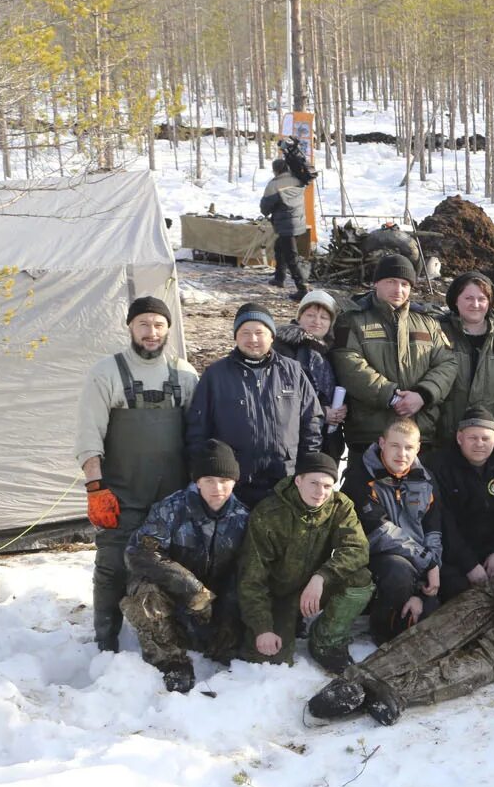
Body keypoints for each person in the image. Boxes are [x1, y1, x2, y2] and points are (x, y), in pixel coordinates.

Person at [305, 519, 494, 727]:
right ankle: (354, 680)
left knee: (468, 671)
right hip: (493, 605)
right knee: (432, 638)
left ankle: (392, 694)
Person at [76, 295, 197, 651]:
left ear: (168, 329)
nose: (151, 332)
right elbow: (88, 434)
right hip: (121, 496)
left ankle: (178, 636)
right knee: (112, 567)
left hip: (173, 499)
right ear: (130, 326)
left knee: (175, 569)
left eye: (159, 325)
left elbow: (199, 435)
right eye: (143, 323)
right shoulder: (106, 372)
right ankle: (105, 641)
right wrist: (96, 486)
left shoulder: (185, 374)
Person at [120, 440, 249, 693]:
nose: (217, 488)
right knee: (146, 594)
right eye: (209, 480)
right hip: (177, 599)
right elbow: (139, 552)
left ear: (235, 481)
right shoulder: (172, 509)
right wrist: (191, 588)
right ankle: (172, 662)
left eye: (224, 480)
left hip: (213, 607)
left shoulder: (244, 517)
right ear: (197, 481)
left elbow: (247, 570)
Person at [236, 452, 374, 672]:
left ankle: (325, 640)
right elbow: (252, 578)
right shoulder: (268, 514)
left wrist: (322, 577)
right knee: (272, 661)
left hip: (315, 586)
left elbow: (357, 549)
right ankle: (284, 625)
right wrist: (262, 627)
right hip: (278, 596)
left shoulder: (340, 505)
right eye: (314, 483)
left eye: (327, 486)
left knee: (360, 578)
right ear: (298, 480)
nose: (320, 492)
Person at [185, 303, 324, 509]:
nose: (253, 339)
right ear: (235, 337)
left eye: (259, 332)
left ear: (272, 336)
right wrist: (208, 474)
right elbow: (198, 430)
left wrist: (305, 470)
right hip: (234, 485)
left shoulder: (292, 371)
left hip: (284, 481)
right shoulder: (215, 375)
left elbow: (311, 422)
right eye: (245, 333)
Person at [332, 252, 459, 467]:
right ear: (376, 283)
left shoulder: (428, 322)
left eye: (404, 284)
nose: (398, 289)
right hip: (370, 434)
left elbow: (447, 362)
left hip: (419, 434)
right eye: (391, 281)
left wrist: (423, 395)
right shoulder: (351, 319)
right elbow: (348, 363)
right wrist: (391, 397)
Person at [341, 418, 443, 644]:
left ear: (418, 448)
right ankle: (381, 631)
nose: (402, 454)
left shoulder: (426, 479)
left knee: (431, 610)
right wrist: (428, 563)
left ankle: (408, 613)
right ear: (382, 443)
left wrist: (431, 574)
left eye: (409, 448)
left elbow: (433, 530)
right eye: (395, 446)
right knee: (398, 572)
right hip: (374, 556)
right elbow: (379, 533)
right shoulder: (360, 478)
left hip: (421, 560)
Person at [423, 407, 494, 602]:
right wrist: (469, 565)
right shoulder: (439, 465)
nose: (479, 444)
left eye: (485, 438)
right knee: (456, 589)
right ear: (459, 438)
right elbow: (443, 521)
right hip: (458, 551)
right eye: (473, 438)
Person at [434, 271, 494, 449]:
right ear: (455, 300)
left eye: (482, 298)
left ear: (490, 302)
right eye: (468, 298)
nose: (475, 304)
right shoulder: (439, 333)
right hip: (447, 429)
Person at [275, 289, 347, 460]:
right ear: (299, 317)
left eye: (324, 317)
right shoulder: (283, 350)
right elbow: (280, 399)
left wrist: (342, 410)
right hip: (294, 443)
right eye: (310, 315)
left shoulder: (331, 351)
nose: (317, 322)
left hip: (326, 442)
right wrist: (322, 412)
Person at [260, 157, 309, 298]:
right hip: (299, 222)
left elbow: (265, 208)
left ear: (275, 170)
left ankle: (302, 288)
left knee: (291, 257)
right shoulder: (298, 179)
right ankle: (279, 278)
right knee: (279, 247)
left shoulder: (274, 185)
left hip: (286, 226)